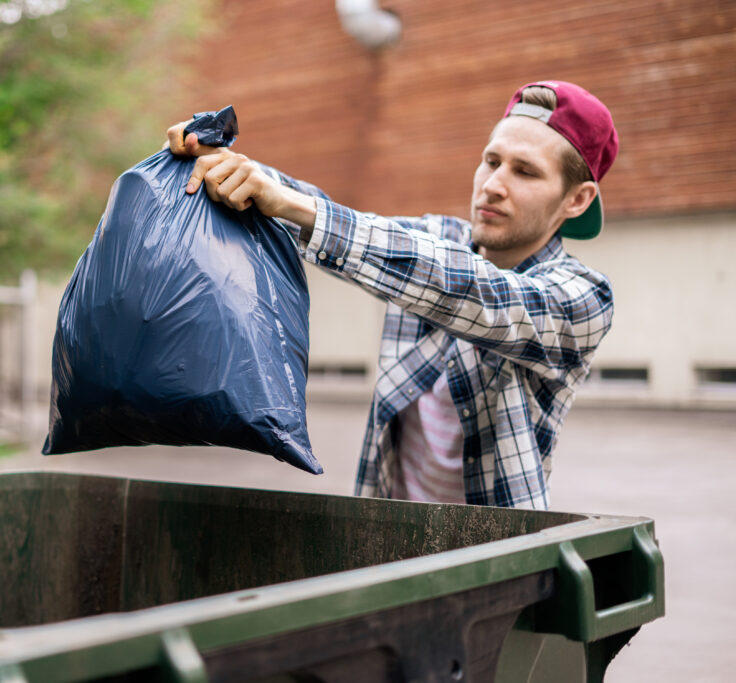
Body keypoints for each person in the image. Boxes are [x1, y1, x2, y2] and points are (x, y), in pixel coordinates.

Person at [166, 81, 619, 510]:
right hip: (394, 545)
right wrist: (231, 166)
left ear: (576, 200)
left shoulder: (583, 298)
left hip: (498, 564)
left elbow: (469, 290)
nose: (494, 184)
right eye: (492, 160)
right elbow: (356, 228)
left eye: (525, 172)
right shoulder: (439, 239)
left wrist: (288, 202)